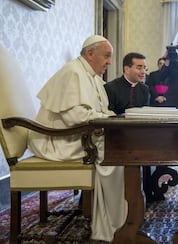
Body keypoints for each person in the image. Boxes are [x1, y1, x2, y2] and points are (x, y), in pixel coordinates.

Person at [27, 35, 127, 242]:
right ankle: (113, 225)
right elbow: (76, 118)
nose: (109, 62)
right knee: (116, 154)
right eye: (106, 56)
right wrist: (110, 119)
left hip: (76, 136)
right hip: (55, 141)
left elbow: (98, 112)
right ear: (90, 54)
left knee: (122, 147)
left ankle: (117, 218)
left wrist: (109, 118)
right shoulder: (73, 72)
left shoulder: (90, 75)